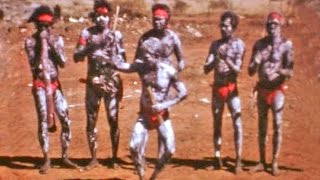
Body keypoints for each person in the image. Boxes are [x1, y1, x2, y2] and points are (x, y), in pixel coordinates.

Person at [96, 4, 187, 179]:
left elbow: (181, 64)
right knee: (135, 145)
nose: (156, 21)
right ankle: (141, 173)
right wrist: (111, 60)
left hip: (163, 92)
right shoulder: (145, 40)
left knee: (167, 146)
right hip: (146, 100)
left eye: (160, 18)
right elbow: (132, 63)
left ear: (166, 19)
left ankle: (155, 174)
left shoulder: (172, 39)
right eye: (154, 18)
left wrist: (173, 75)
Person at [24, 5, 79, 174]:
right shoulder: (30, 42)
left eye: (47, 26)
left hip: (55, 84)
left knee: (65, 118)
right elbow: (34, 65)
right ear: (36, 25)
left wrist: (51, 44)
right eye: (41, 25)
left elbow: (62, 62)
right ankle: (46, 157)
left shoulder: (57, 40)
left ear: (51, 25)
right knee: (42, 120)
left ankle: (64, 155)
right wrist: (41, 45)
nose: (44, 29)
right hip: (41, 85)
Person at [73, 0, 126, 169]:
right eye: (98, 15)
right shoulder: (87, 34)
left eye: (105, 15)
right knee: (91, 120)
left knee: (113, 119)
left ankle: (115, 158)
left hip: (111, 83)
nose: (102, 19)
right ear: (94, 16)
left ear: (109, 17)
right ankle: (93, 158)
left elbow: (123, 62)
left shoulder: (116, 35)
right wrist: (90, 48)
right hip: (93, 83)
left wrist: (112, 54)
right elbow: (76, 56)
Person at [248, 12, 294, 176]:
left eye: (274, 24)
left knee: (278, 126)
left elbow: (290, 71)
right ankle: (261, 161)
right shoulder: (259, 44)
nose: (271, 27)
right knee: (261, 127)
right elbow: (250, 71)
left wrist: (279, 70)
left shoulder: (286, 45)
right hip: (261, 90)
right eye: (269, 24)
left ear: (280, 25)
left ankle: (274, 162)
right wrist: (255, 62)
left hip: (277, 90)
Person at [203, 11, 245, 174]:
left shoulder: (239, 45)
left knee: (237, 123)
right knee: (217, 123)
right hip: (217, 89)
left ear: (233, 27)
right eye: (221, 25)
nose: (223, 28)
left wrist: (225, 58)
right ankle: (217, 157)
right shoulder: (215, 45)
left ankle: (238, 159)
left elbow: (237, 70)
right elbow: (207, 69)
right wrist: (210, 62)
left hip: (231, 89)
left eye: (226, 26)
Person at [134, 3, 185, 72]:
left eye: (160, 19)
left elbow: (181, 59)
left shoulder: (172, 37)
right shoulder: (145, 38)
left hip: (167, 75)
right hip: (150, 76)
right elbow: (137, 59)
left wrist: (177, 69)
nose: (157, 22)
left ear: (166, 20)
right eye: (155, 19)